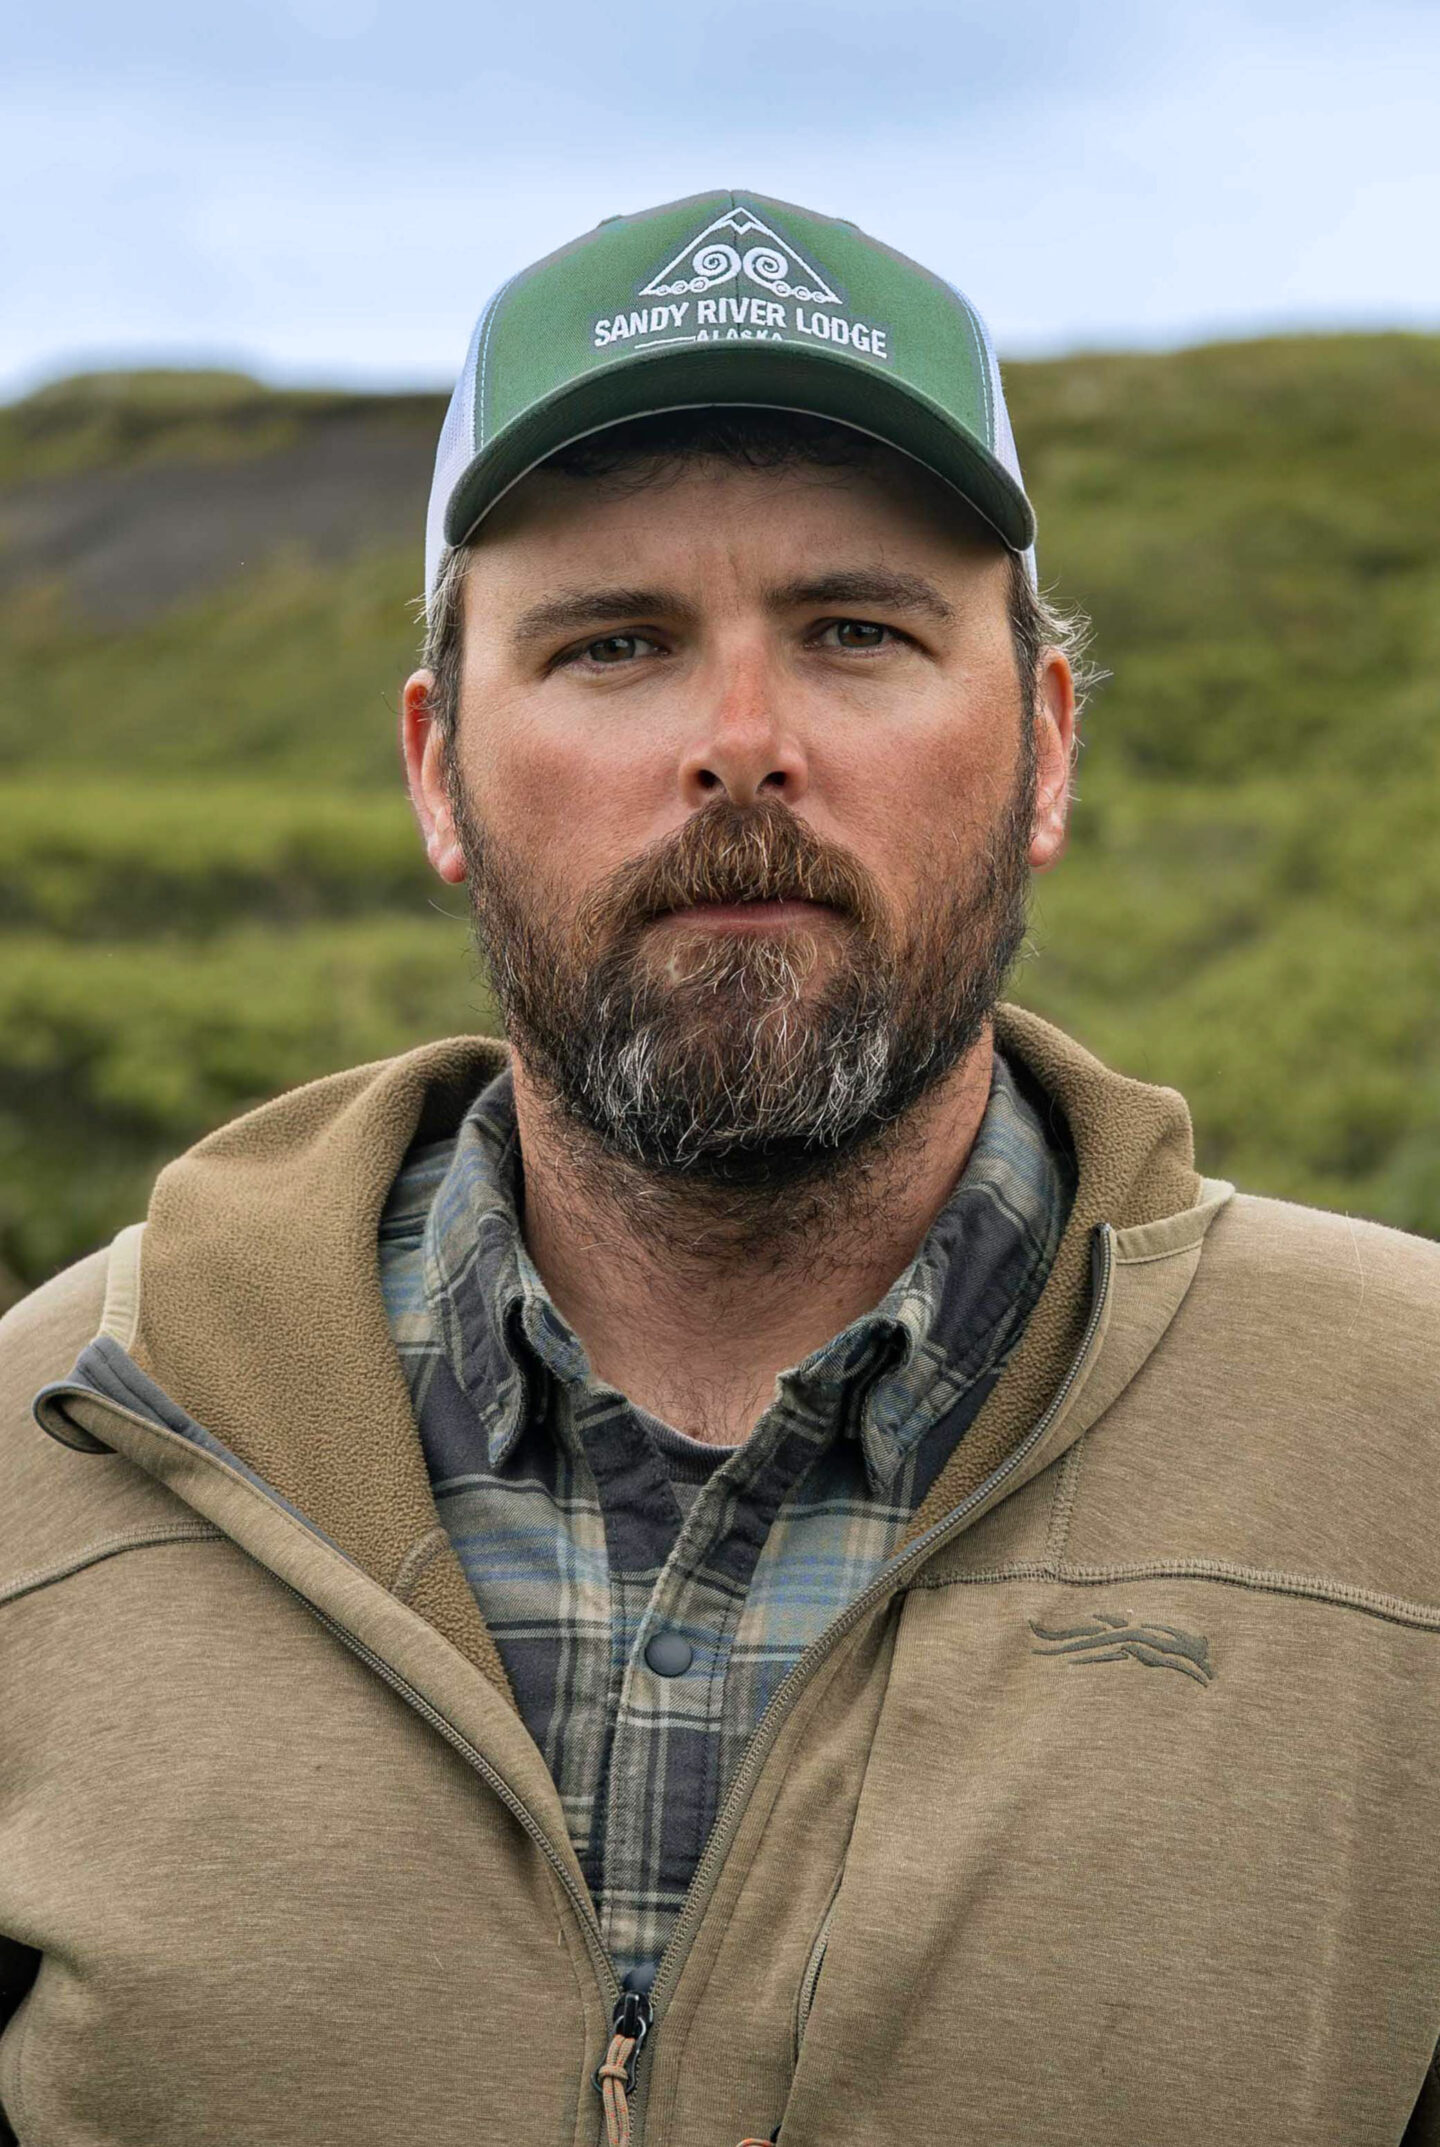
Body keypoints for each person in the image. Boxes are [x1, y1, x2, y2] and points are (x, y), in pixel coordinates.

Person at [1, 189, 1438, 2147]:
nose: (741, 745)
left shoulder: (1411, 1454)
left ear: (1044, 745)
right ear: (436, 769)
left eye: (857, 631)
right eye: (615, 645)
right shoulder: (46, 1457)